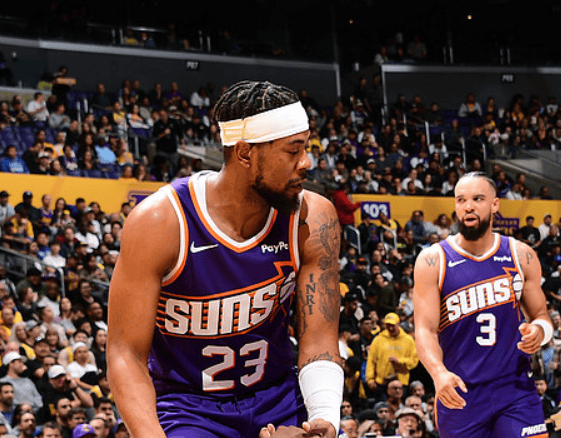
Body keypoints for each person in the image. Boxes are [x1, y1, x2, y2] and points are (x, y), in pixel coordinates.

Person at [107, 80, 344, 438]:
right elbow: (125, 353)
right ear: (246, 153)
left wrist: (325, 417)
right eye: (293, 151)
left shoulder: (313, 217)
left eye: (307, 147)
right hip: (188, 406)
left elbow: (320, 337)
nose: (307, 162)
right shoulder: (161, 221)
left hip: (278, 395)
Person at [413, 172, 552, 437]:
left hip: (515, 389)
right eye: (461, 200)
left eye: (477, 199)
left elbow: (541, 315)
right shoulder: (433, 260)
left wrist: (540, 332)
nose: (468, 206)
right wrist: (438, 373)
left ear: (495, 204)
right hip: (461, 391)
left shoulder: (521, 254)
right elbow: (424, 330)